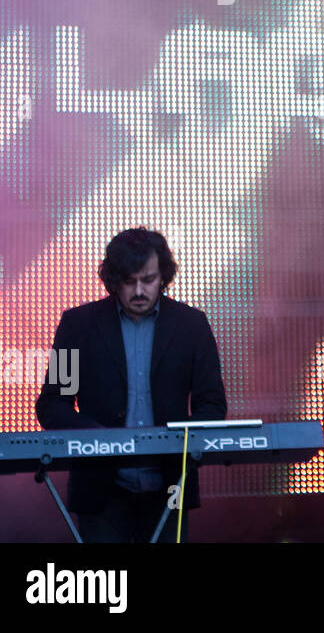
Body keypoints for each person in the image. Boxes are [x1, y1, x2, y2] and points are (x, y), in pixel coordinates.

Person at [36, 227, 227, 542]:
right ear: (113, 280)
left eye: (148, 279)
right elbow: (54, 404)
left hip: (170, 485)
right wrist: (100, 439)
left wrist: (177, 439)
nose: (139, 290)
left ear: (163, 275)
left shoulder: (192, 326)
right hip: (101, 491)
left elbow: (213, 404)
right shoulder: (78, 326)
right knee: (106, 591)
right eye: (129, 281)